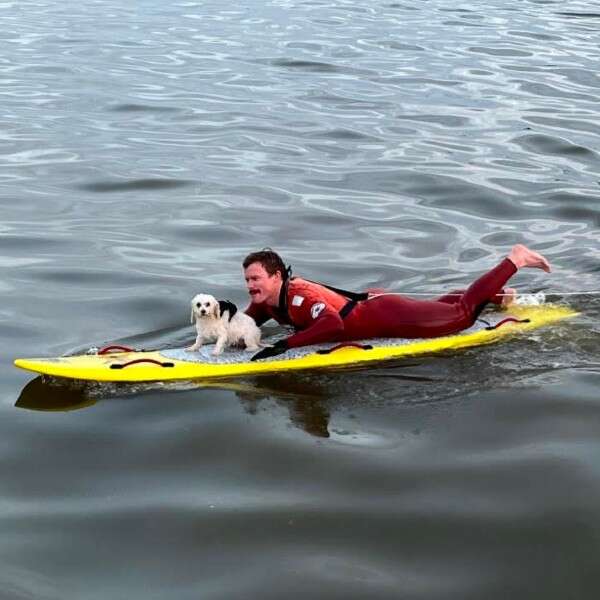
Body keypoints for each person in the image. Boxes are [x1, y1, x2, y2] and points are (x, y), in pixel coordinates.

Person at [243, 245, 551, 361]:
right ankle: (500, 296)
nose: (250, 285)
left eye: (256, 279)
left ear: (277, 276)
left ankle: (515, 259)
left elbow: (332, 324)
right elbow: (244, 325)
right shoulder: (265, 303)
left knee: (462, 315)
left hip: (388, 316)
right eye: (247, 280)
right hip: (378, 306)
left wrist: (285, 345)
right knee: (438, 308)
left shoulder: (301, 295)